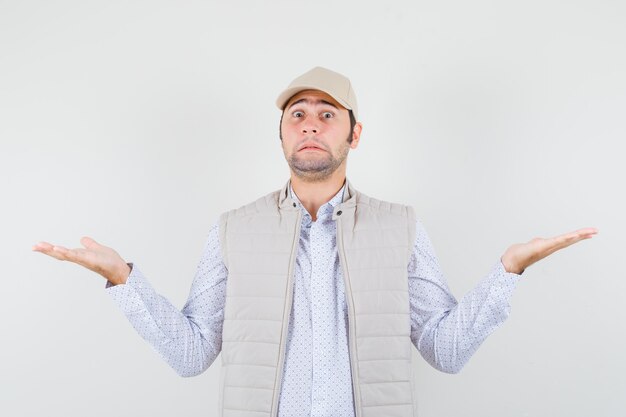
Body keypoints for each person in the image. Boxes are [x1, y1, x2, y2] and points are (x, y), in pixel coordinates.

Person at [33, 66, 598, 417]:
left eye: (327, 114)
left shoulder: (401, 225)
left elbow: (444, 351)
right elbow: (192, 354)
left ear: (354, 133)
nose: (309, 124)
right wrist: (122, 280)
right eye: (297, 114)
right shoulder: (233, 228)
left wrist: (508, 272)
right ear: (280, 134)